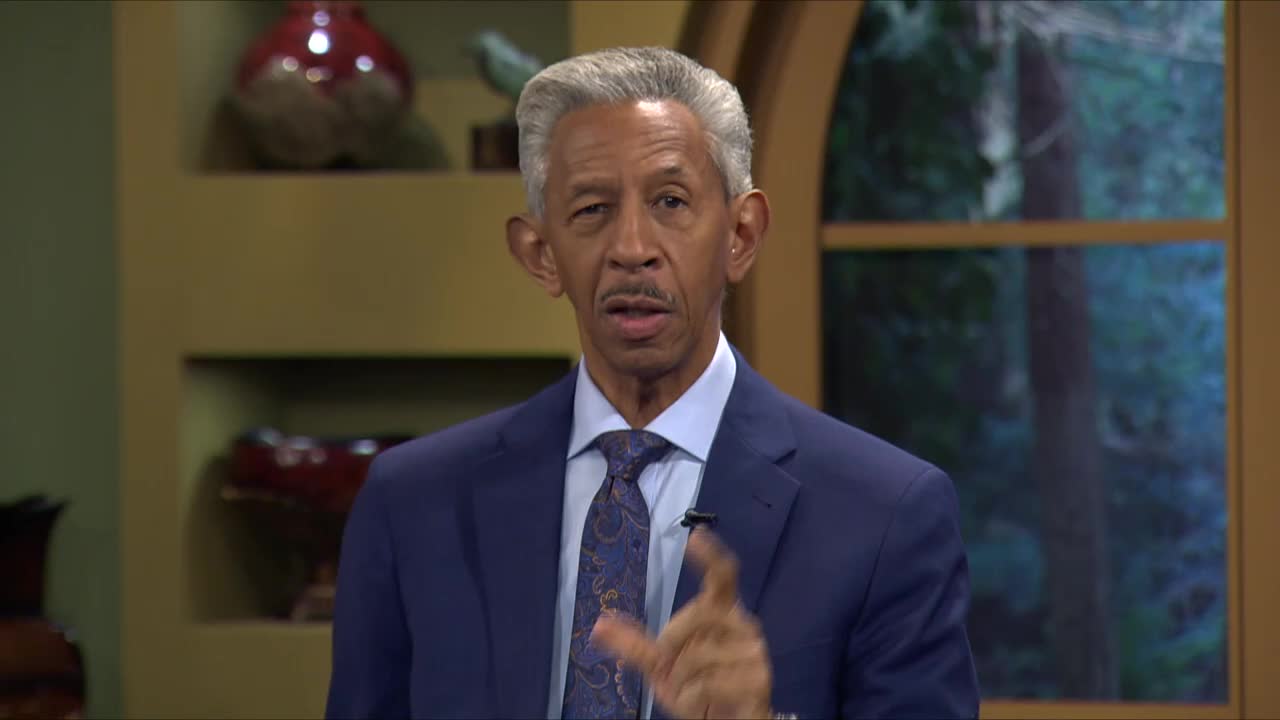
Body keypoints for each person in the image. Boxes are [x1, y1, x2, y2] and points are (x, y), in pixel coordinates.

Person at [325, 46, 980, 720]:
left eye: (670, 201)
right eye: (591, 211)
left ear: (741, 235)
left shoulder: (884, 516)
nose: (631, 246)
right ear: (542, 255)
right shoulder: (413, 504)